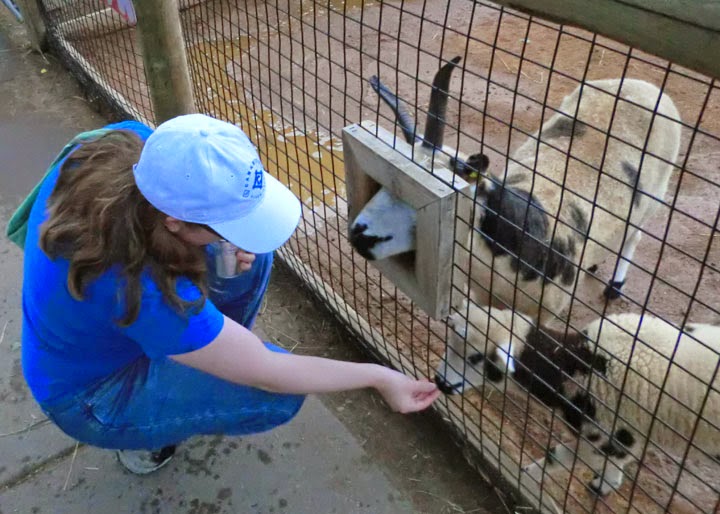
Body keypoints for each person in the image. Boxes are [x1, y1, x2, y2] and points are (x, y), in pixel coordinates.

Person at [19, 114, 440, 475]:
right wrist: (380, 377)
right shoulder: (144, 292)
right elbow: (269, 371)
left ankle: (211, 349)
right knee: (275, 397)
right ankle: (142, 431)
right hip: (92, 393)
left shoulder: (132, 145)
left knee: (253, 257)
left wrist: (221, 245)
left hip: (107, 320)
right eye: (220, 225)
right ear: (174, 223)